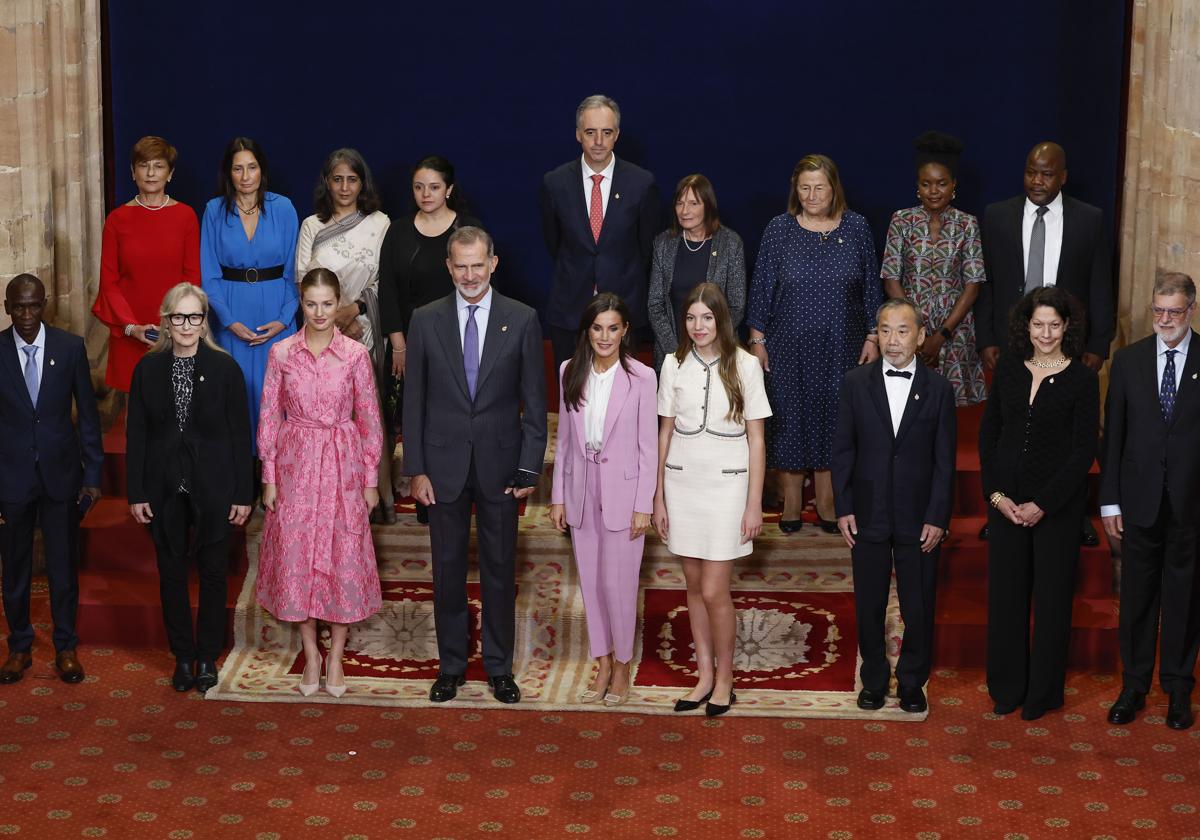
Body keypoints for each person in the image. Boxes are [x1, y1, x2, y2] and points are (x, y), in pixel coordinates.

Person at [403, 226, 547, 704]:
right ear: (449, 266)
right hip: (440, 469)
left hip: (501, 469)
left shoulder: (522, 318)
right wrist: (415, 468)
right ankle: (451, 667)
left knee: (499, 570)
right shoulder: (425, 319)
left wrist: (529, 468)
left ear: (493, 263)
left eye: (477, 264)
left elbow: (534, 400)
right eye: (460, 265)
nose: (469, 274)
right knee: (445, 571)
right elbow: (414, 402)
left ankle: (500, 668)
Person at [973, 141, 1113, 545]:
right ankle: (1000, 506)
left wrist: (1099, 343)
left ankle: (1074, 515)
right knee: (1008, 429)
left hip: (1068, 342)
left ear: (1063, 176)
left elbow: (1101, 283)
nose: (1037, 180)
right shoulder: (998, 215)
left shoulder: (1089, 219)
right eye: (1031, 172)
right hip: (1011, 341)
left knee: (1066, 433)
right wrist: (986, 338)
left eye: (1047, 173)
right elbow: (988, 285)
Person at [256, 269, 383, 698]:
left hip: (343, 463)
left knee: (342, 554)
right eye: (311, 304)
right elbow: (270, 417)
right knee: (299, 555)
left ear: (338, 302)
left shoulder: (354, 355)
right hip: (295, 464)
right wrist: (269, 476)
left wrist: (369, 479)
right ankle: (311, 653)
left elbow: (370, 420)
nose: (320, 313)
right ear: (301, 303)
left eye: (327, 304)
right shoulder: (281, 354)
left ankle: (338, 656)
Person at [126, 283, 253, 693]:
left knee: (214, 575)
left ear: (204, 323)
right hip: (163, 487)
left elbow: (240, 435)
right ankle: (182, 656)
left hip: (214, 486)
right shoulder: (147, 368)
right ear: (166, 320)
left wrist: (242, 493)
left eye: (194, 317)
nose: (185, 325)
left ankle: (206, 658)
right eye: (178, 317)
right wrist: (136, 492)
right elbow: (137, 435)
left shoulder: (225, 368)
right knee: (171, 574)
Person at [979, 287, 1098, 721]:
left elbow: (1083, 452)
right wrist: (997, 497)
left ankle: (1043, 693)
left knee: (1051, 603)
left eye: (1054, 324)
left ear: (1067, 327)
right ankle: (1007, 688)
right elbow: (989, 435)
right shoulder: (1009, 368)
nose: (1045, 332)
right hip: (1006, 504)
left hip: (1056, 510)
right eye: (1037, 324)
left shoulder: (1083, 379)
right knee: (1007, 600)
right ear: (1025, 326)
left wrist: (1042, 504)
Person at [831, 299, 956, 714]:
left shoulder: (939, 390)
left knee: (918, 603)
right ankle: (873, 678)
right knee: (868, 603)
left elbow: (945, 461)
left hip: (919, 517)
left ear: (920, 337)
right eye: (885, 330)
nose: (893, 340)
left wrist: (938, 516)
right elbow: (844, 450)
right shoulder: (854, 382)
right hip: (867, 512)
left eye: (902, 331)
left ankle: (911, 680)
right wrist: (843, 506)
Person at [746, 154, 882, 534]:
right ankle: (791, 501)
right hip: (787, 344)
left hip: (844, 343)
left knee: (835, 418)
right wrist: (757, 339)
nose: (811, 194)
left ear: (834, 188)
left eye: (819, 186)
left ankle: (826, 500)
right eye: (804, 187)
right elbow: (761, 287)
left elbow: (872, 285)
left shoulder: (856, 227)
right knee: (789, 418)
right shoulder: (779, 229)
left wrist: (874, 334)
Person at [653, 282, 771, 717]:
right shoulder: (672, 363)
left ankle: (726, 679)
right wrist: (657, 497)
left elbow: (757, 440)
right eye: (690, 318)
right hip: (682, 484)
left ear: (722, 319)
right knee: (693, 588)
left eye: (706, 317)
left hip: (727, 488)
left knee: (714, 589)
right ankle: (703, 675)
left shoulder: (745, 365)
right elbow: (664, 432)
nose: (698, 326)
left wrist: (754, 503)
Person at [1101, 271, 1200, 731]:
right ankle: (1134, 686)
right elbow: (1114, 438)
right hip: (1138, 503)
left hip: (1191, 505)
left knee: (1184, 599)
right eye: (1158, 311)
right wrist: (1109, 502)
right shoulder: (1128, 362)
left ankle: (1179, 690)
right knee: (1138, 598)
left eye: (1174, 311)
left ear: (1190, 310)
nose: (1165, 319)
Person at [549, 294, 657, 707]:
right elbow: (563, 441)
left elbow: (648, 447)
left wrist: (644, 503)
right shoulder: (568, 371)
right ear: (587, 331)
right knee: (591, 584)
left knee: (619, 584)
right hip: (581, 487)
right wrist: (559, 495)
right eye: (597, 328)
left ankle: (624, 664)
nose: (605, 336)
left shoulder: (642, 377)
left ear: (625, 330)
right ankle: (604, 662)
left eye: (613, 328)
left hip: (624, 492)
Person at [0, 274, 102, 685]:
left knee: (63, 568)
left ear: (45, 305)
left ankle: (65, 647)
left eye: (33, 305)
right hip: (11, 478)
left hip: (62, 478)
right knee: (15, 569)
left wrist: (92, 474)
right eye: (18, 307)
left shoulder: (70, 347)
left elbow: (90, 420)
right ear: (7, 307)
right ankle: (19, 647)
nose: (26, 315)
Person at [377, 155, 481, 525]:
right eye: (419, 186)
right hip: (409, 344)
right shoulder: (399, 230)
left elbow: (481, 290)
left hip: (459, 346)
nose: (426, 194)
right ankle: (422, 499)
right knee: (414, 418)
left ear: (449, 189)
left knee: (452, 421)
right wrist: (399, 345)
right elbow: (387, 290)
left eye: (434, 187)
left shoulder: (468, 230)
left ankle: (457, 491)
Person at [295, 148, 394, 523]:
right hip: (320, 330)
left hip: (366, 329)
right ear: (327, 182)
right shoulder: (312, 226)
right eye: (337, 179)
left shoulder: (380, 223)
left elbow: (386, 280)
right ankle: (326, 497)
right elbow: (302, 277)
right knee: (326, 418)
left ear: (362, 183)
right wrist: (331, 317)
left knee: (365, 417)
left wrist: (355, 310)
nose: (344, 187)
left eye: (352, 179)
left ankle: (373, 498)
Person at [540, 94, 659, 370]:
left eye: (606, 133)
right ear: (578, 134)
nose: (598, 141)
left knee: (621, 399)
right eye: (591, 132)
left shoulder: (641, 183)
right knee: (573, 395)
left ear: (616, 135)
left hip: (623, 309)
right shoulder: (554, 183)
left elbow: (646, 248)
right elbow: (553, 242)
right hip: (570, 311)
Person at [200, 136, 299, 455]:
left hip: (276, 316)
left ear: (262, 170)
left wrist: (284, 320)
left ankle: (277, 482)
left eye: (252, 168)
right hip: (231, 316)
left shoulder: (283, 208)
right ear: (228, 173)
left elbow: (295, 273)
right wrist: (228, 322)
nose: (245, 176)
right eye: (238, 169)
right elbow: (210, 274)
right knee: (235, 396)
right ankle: (239, 484)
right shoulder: (214, 210)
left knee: (278, 399)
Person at [881, 131, 987, 406]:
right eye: (926, 184)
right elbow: (891, 278)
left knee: (946, 410)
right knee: (909, 406)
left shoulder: (967, 223)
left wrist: (940, 335)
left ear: (953, 185)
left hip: (954, 329)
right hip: (908, 328)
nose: (934, 191)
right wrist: (917, 332)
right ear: (918, 186)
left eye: (941, 183)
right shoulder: (902, 220)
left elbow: (973, 285)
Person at [92, 135, 201, 393]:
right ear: (133, 172)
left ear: (170, 173)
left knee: (177, 408)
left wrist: (175, 324)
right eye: (143, 165)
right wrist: (131, 328)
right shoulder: (117, 220)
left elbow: (192, 279)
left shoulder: (186, 216)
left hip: (175, 327)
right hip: (131, 331)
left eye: (159, 165)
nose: (151, 173)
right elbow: (109, 282)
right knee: (136, 412)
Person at [647, 174, 746, 372]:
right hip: (673, 356)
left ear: (708, 206)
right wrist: (677, 351)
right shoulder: (663, 243)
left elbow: (736, 306)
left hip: (718, 354)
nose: (684, 211)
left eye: (693, 203)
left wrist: (708, 346)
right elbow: (655, 305)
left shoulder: (730, 243)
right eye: (680, 203)